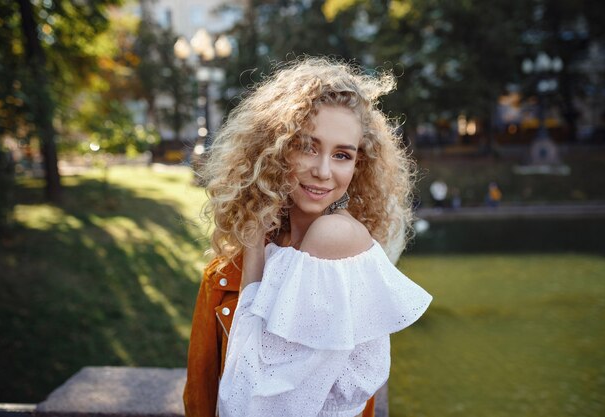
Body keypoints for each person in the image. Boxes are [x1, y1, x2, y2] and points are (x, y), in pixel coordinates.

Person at [183, 58, 432, 417]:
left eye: (342, 154)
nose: (323, 171)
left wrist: (254, 254)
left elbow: (252, 404)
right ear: (275, 148)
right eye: (308, 146)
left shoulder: (335, 238)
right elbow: (200, 400)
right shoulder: (223, 274)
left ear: (357, 165)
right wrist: (253, 248)